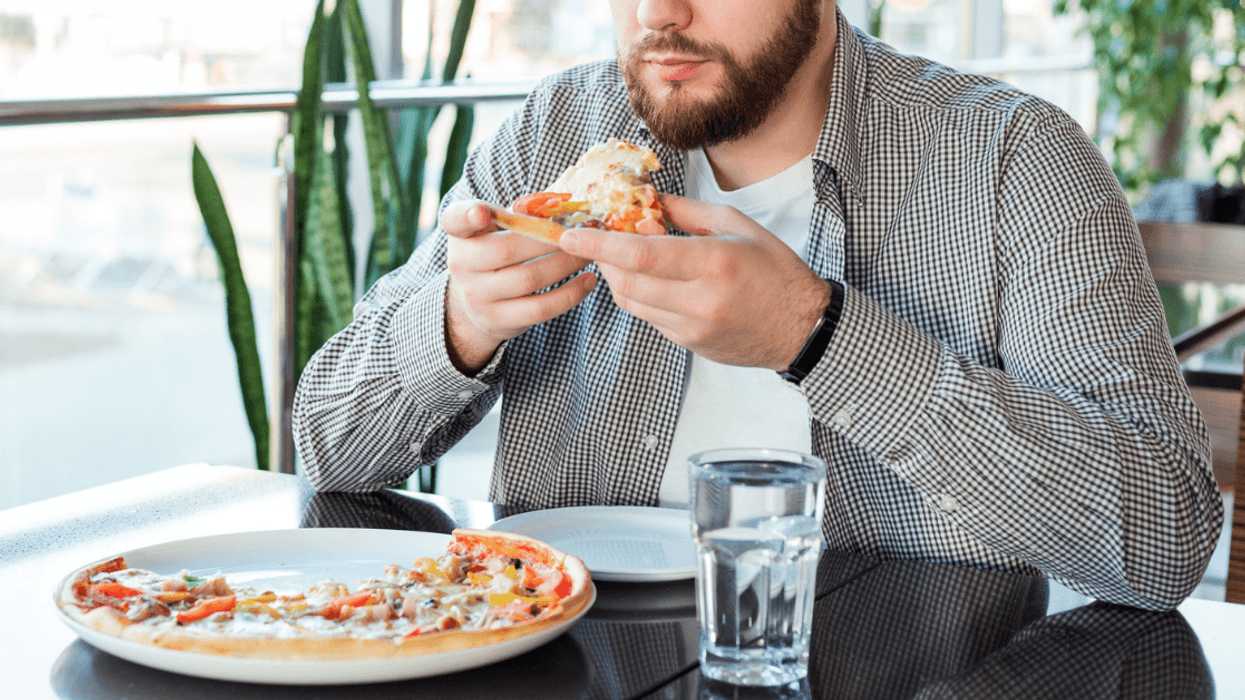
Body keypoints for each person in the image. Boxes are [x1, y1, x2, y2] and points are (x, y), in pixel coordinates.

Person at [292, 0, 1224, 611]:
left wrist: (816, 337)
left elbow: (1165, 537)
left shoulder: (1013, 160)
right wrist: (457, 322)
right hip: (564, 652)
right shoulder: (557, 132)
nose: (659, 15)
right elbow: (325, 445)